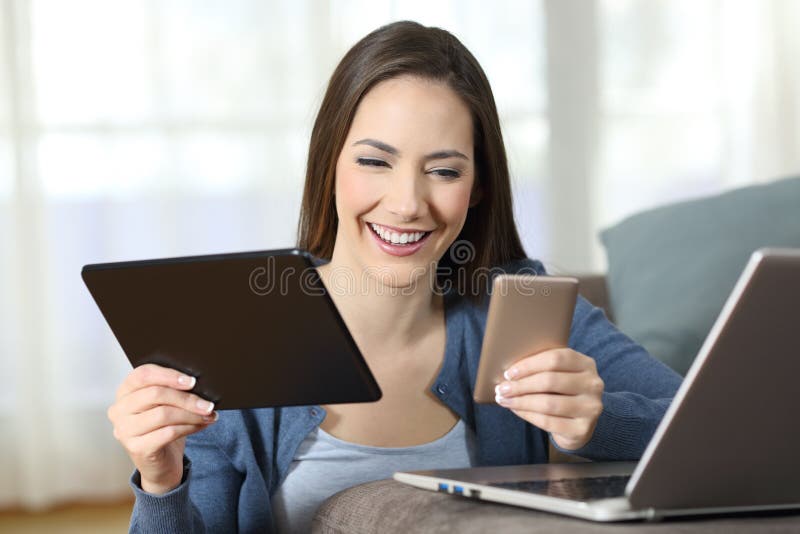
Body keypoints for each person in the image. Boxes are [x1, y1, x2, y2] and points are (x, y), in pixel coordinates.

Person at [107, 21, 682, 533]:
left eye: (443, 170)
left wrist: (596, 423)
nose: (407, 204)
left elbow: (715, 430)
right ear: (329, 162)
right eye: (374, 161)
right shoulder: (236, 337)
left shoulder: (529, 312)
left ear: (478, 186)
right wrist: (161, 480)